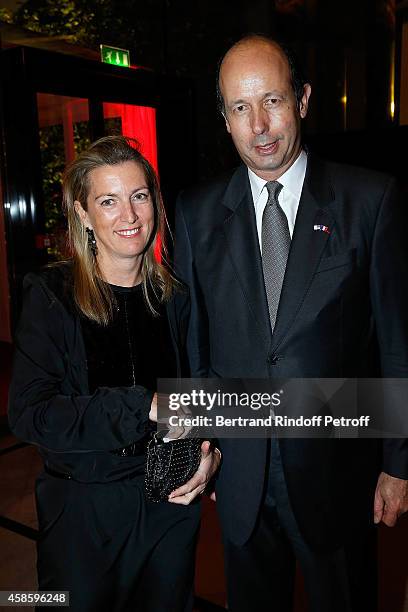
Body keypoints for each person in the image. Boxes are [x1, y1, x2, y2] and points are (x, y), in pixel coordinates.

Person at [174, 35, 408, 612]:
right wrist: (192, 449)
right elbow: (192, 344)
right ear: (224, 118)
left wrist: (398, 465)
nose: (259, 124)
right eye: (239, 107)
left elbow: (398, 344)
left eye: (272, 100)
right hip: (239, 477)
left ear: (302, 100)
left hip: (339, 474)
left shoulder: (370, 200)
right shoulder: (196, 212)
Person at [8, 135, 219, 612]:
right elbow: (29, 413)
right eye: (108, 201)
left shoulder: (178, 298)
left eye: (139, 196)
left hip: (170, 505)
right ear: (83, 214)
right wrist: (140, 404)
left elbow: (201, 393)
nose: (129, 216)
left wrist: (211, 455)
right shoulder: (51, 296)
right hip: (85, 516)